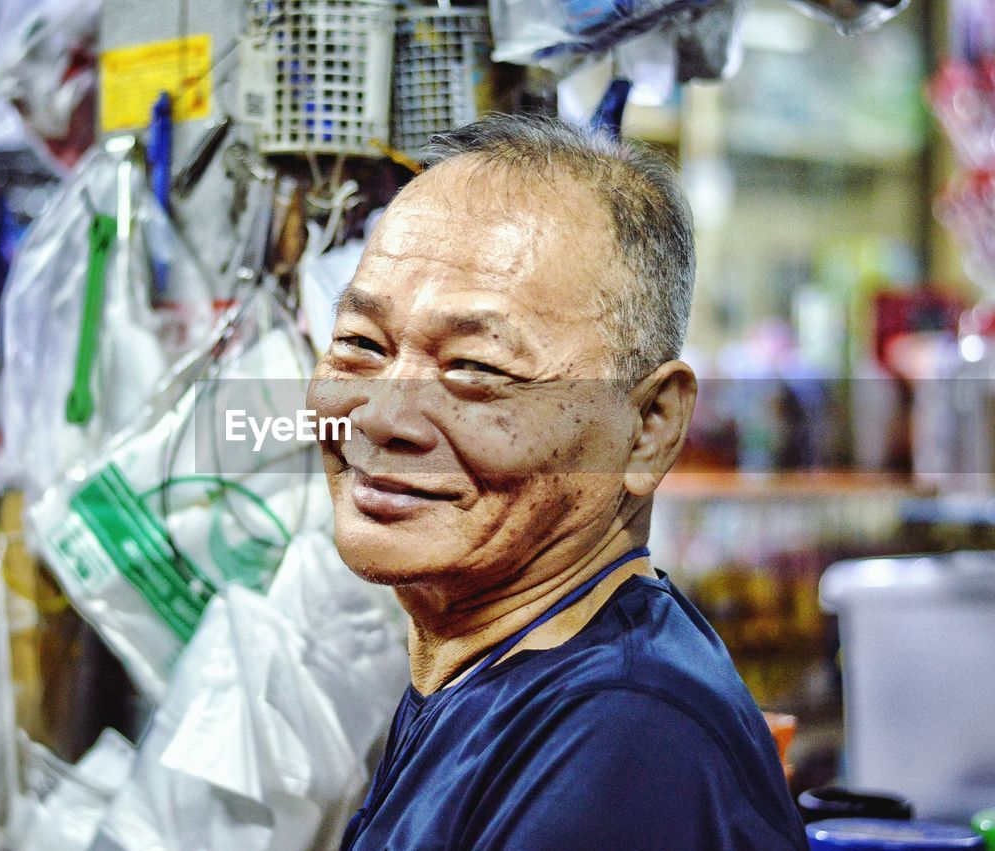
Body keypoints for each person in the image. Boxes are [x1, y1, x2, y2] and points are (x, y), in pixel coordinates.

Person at [306, 114, 809, 850]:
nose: (381, 418)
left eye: (475, 369)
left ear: (648, 428)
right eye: (359, 344)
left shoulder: (624, 746)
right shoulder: (485, 667)